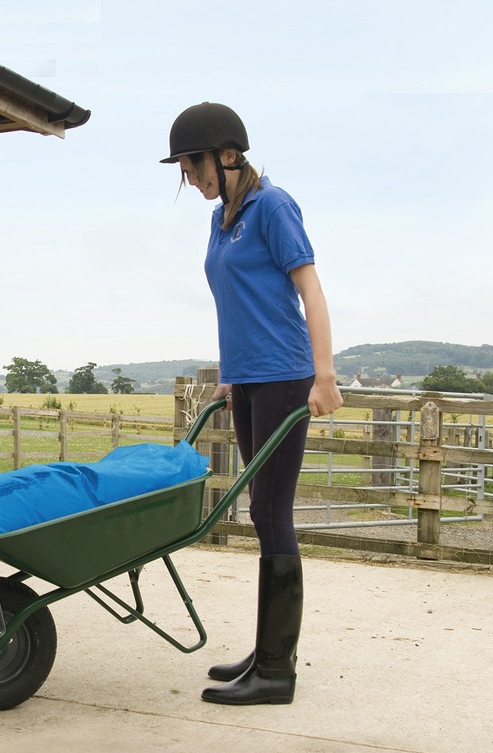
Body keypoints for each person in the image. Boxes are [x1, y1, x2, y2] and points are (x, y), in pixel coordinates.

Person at [162, 102, 343, 705]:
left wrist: (325, 376)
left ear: (227, 155)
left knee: (271, 511)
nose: (189, 177)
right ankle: (267, 653)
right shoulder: (221, 219)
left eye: (192, 165)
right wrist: (231, 375)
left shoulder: (273, 207)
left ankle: (277, 671)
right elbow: (237, 302)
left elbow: (309, 290)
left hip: (289, 377)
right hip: (250, 381)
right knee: (260, 512)